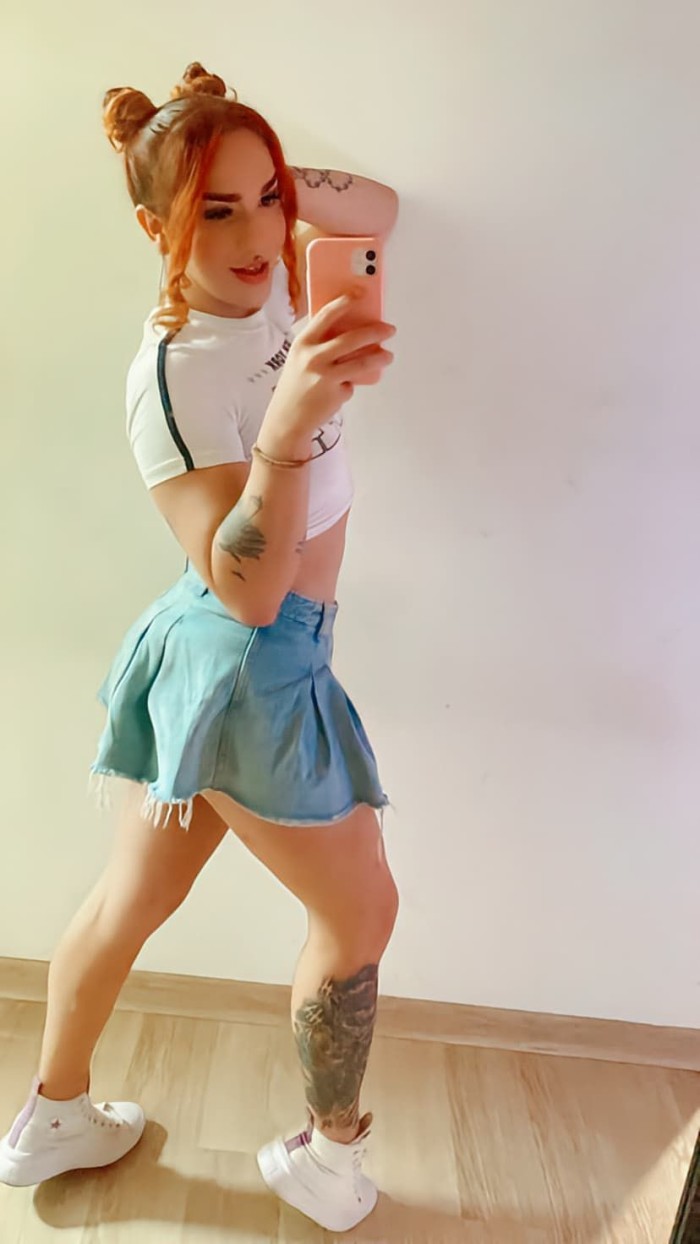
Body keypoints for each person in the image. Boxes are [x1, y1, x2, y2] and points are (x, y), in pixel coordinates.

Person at [0, 62, 399, 1234]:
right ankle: (330, 1156)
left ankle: (50, 1117)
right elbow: (249, 588)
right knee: (360, 915)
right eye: (211, 211)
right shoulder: (173, 377)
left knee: (131, 896)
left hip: (218, 656)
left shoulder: (267, 281)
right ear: (153, 230)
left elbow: (375, 207)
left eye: (266, 199)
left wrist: (245, 163)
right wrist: (287, 426)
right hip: (249, 664)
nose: (256, 235)